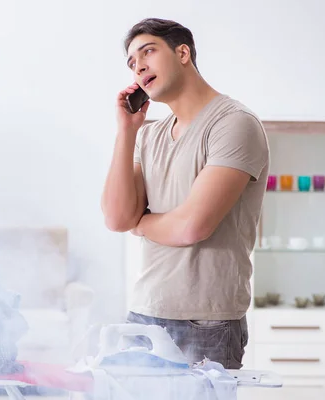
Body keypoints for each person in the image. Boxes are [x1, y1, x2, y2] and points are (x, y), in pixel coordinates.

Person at [101, 18, 270, 369]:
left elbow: (192, 227)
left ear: (182, 53)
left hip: (206, 321)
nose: (139, 66)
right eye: (132, 62)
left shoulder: (233, 123)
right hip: (144, 313)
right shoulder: (148, 136)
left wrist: (141, 223)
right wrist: (126, 131)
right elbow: (117, 218)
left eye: (148, 51)